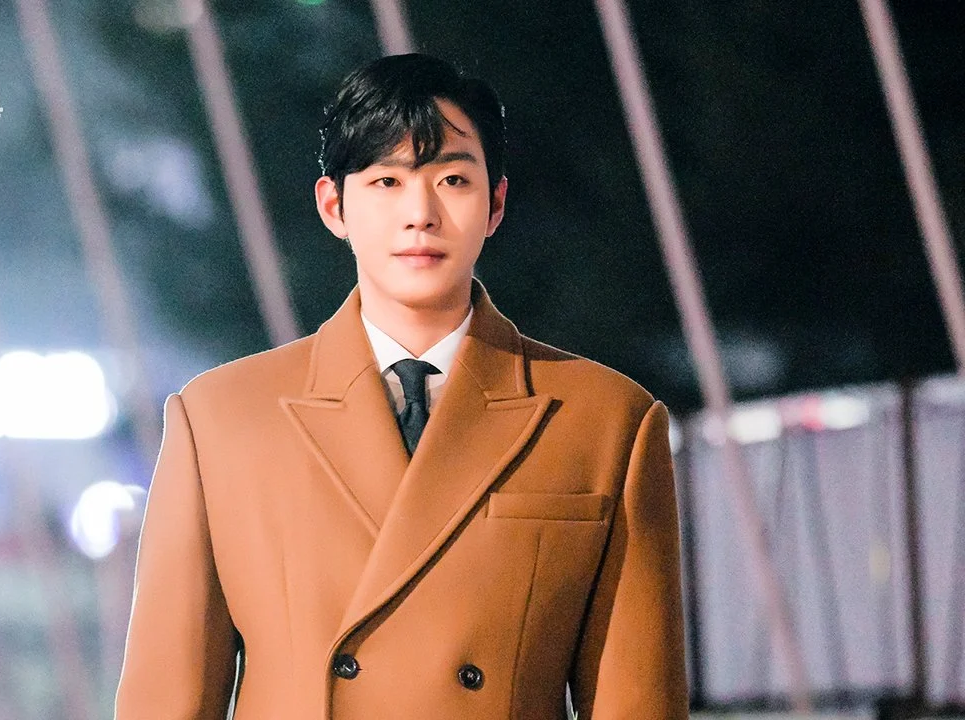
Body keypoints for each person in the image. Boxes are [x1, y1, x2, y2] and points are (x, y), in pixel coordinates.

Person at [115, 53, 688, 720]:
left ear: (496, 203)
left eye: (453, 180)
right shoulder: (220, 419)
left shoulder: (606, 421)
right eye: (386, 181)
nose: (421, 213)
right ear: (334, 206)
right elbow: (167, 700)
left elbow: (637, 704)